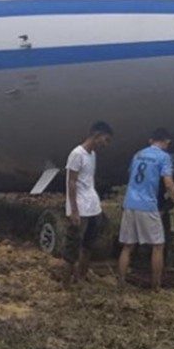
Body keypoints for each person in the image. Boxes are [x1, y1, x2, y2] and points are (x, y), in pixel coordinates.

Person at [118, 128, 174, 291]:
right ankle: (156, 286)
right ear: (167, 142)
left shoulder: (138, 154)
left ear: (151, 140)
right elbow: (168, 183)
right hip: (147, 205)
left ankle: (120, 282)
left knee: (128, 246)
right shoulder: (164, 157)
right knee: (158, 245)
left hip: (129, 203)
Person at [63, 121, 114, 289]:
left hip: (92, 207)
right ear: (96, 135)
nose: (105, 144)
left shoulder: (92, 155)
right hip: (81, 208)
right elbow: (72, 182)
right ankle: (66, 284)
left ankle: (81, 278)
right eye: (104, 140)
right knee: (72, 248)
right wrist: (74, 210)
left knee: (88, 245)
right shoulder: (77, 154)